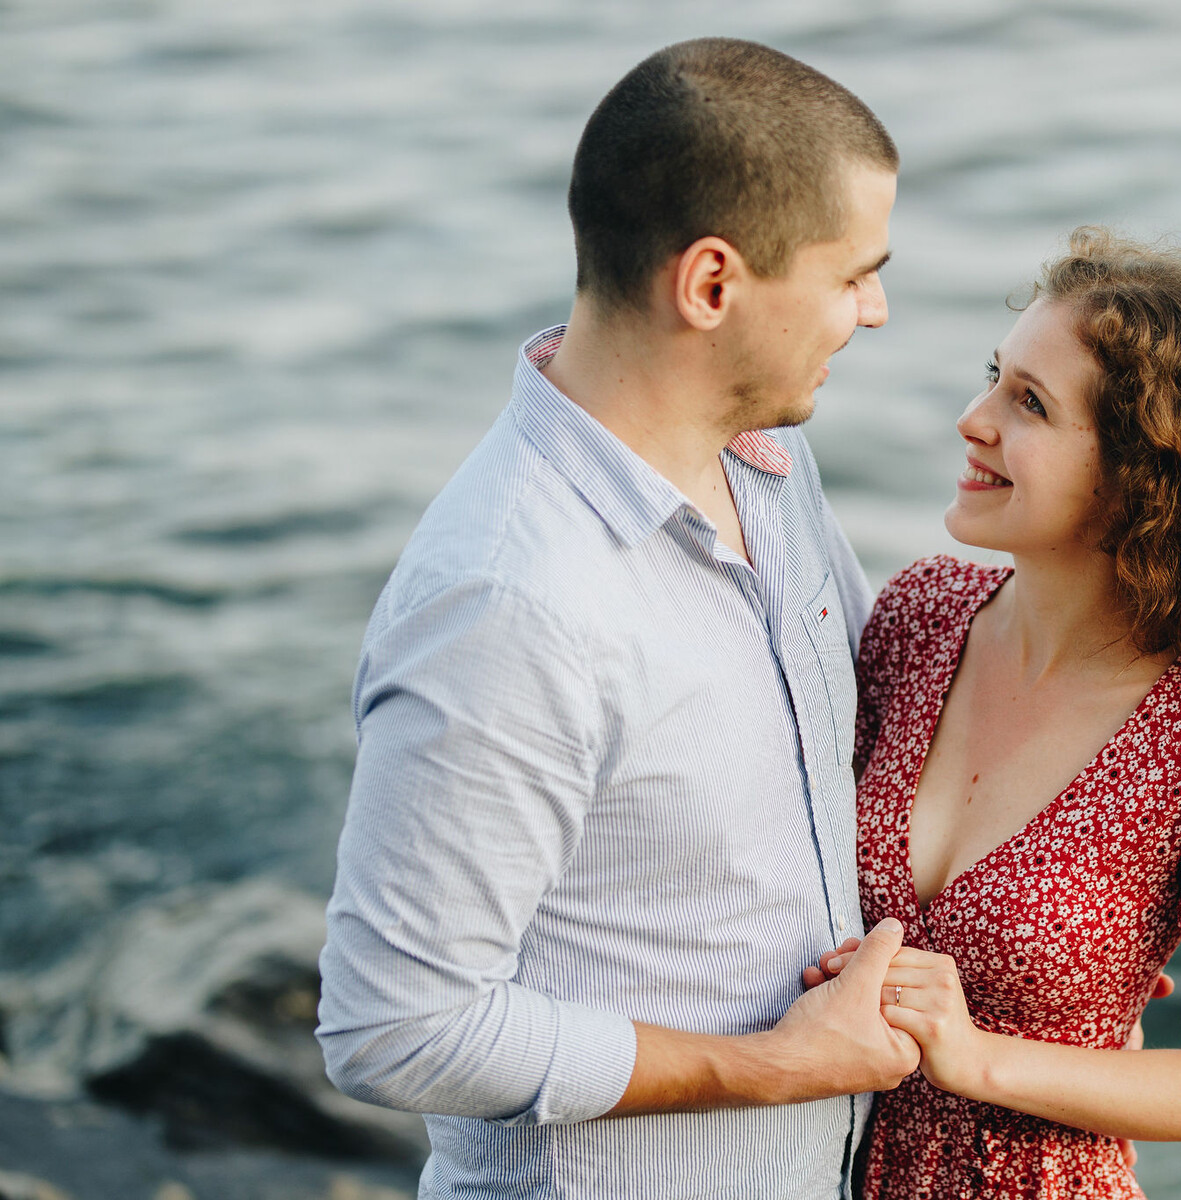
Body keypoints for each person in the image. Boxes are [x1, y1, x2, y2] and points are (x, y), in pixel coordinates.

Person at [316, 39, 919, 1199]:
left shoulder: (770, 463)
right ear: (711, 285)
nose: (876, 311)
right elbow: (393, 1026)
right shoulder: (510, 600)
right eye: (854, 275)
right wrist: (768, 1069)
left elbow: (866, 725)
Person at [808, 228, 1181, 1197]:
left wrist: (978, 1055)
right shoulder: (920, 619)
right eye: (995, 378)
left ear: (1143, 475)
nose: (974, 419)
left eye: (1030, 404)